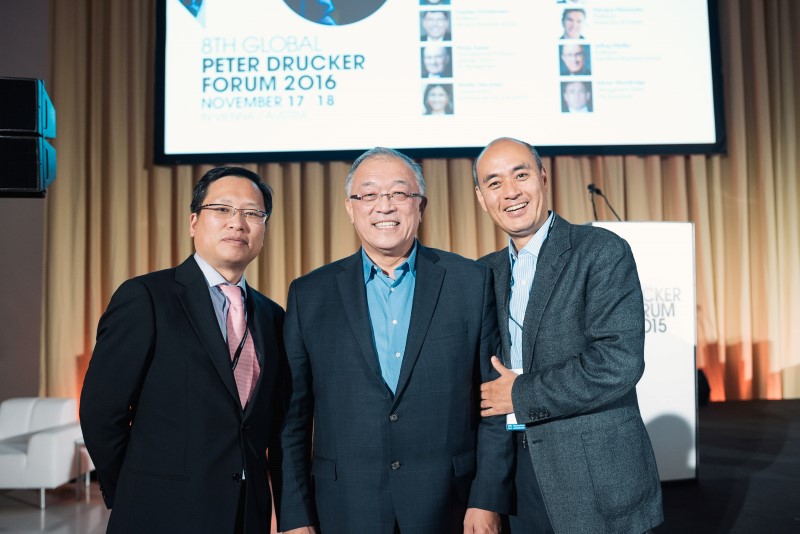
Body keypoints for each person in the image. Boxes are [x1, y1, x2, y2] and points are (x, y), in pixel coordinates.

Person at [278, 147, 512, 534]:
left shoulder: (470, 282)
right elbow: (293, 420)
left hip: (451, 506)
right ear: (350, 208)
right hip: (344, 507)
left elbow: (496, 402)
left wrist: (487, 499)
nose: (384, 206)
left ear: (421, 205)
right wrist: (295, 517)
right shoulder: (310, 294)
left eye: (399, 193)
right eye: (369, 194)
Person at [80, 167, 287, 534]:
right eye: (222, 209)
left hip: (246, 515)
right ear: (194, 222)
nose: (237, 223)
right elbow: (101, 413)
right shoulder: (146, 297)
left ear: (264, 229)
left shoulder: (273, 316)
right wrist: (132, 489)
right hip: (159, 514)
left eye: (252, 213)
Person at [473, 137, 664, 533]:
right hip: (517, 477)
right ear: (481, 198)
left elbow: (619, 362)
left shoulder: (600, 251)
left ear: (543, 178)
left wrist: (521, 394)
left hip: (594, 477)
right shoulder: (482, 273)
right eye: (494, 183)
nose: (510, 192)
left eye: (520, 175)